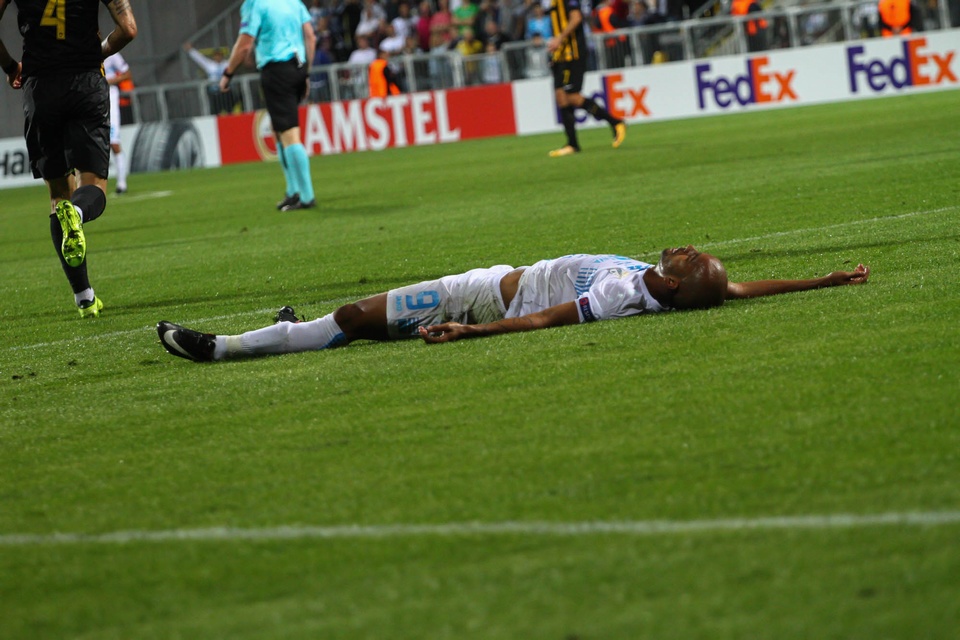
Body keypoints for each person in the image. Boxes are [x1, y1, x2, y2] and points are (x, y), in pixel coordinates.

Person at [156, 247, 871, 362]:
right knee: (354, 326)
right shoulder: (686, 292)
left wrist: (473, 331)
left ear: (678, 284)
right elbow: (741, 289)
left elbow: (544, 319)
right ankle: (292, 330)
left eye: (692, 259)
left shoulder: (622, 295)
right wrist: (826, 281)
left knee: (347, 321)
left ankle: (223, 349)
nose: (688, 249)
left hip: (475, 295)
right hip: (493, 281)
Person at [0, 0, 137, 318]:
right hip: (86, 84)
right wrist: (98, 52)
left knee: (58, 196)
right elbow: (128, 29)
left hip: (41, 88)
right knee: (94, 186)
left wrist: (10, 67)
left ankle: (84, 297)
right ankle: (78, 211)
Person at [221, 0, 317, 212]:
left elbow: (244, 45)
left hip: (277, 70)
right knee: (278, 129)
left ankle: (306, 196)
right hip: (298, 66)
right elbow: (310, 36)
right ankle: (293, 191)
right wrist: (306, 73)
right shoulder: (294, 2)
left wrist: (228, 73)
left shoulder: (256, 5)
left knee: (290, 133)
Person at [546, 0, 627, 157]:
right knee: (561, 97)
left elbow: (576, 17)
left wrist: (560, 38)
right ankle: (572, 144)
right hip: (561, 54)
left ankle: (615, 122)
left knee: (572, 96)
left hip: (573, 54)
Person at [103, 51, 131, 195]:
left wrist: (107, 81)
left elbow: (127, 74)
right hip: (92, 102)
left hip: (110, 100)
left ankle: (121, 183)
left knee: (114, 143)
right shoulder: (84, 52)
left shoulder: (111, 53)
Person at [182, 41, 237, 114]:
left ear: (222, 56)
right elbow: (200, 59)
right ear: (213, 57)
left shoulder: (227, 64)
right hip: (214, 93)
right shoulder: (210, 65)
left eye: (219, 55)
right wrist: (191, 50)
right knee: (215, 111)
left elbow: (236, 58)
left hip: (226, 92)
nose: (218, 57)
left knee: (229, 111)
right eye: (216, 56)